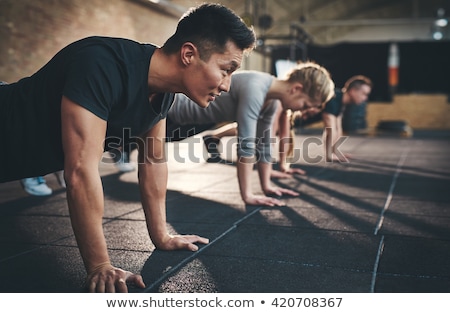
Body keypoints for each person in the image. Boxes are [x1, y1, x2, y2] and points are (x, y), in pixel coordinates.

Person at [0, 3, 256, 292]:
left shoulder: (163, 95)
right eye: (226, 70)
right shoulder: (102, 64)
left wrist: (162, 236)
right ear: (188, 54)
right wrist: (99, 266)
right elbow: (81, 171)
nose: (227, 86)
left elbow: (153, 162)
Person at [166, 62, 335, 207]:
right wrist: (247, 196)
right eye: (305, 105)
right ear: (297, 88)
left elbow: (264, 143)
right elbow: (246, 144)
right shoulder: (255, 87)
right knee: (145, 149)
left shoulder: (273, 101)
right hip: (170, 114)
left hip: (192, 124)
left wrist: (266, 186)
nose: (302, 111)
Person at [276, 75, 372, 172]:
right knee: (271, 133)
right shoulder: (333, 98)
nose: (365, 98)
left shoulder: (341, 101)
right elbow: (330, 129)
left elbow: (338, 129)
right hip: (290, 116)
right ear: (352, 91)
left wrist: (335, 152)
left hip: (292, 120)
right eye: (364, 93)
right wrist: (329, 155)